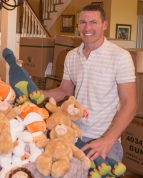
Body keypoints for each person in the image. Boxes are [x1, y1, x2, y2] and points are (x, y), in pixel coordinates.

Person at [42, 4, 136, 161]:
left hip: (104, 140)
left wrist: (108, 139)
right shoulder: (72, 56)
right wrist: (36, 94)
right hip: (73, 134)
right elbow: (64, 91)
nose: (87, 27)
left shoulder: (120, 56)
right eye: (83, 22)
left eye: (93, 22)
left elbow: (130, 104)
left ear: (104, 25)